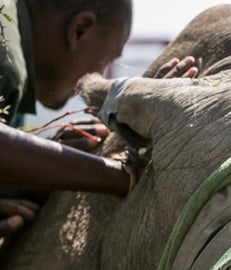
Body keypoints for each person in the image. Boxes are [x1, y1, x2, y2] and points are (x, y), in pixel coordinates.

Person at [0, 0, 197, 237]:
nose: (101, 74)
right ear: (80, 29)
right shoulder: (7, 54)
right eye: (108, 59)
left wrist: (37, 168)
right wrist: (119, 177)